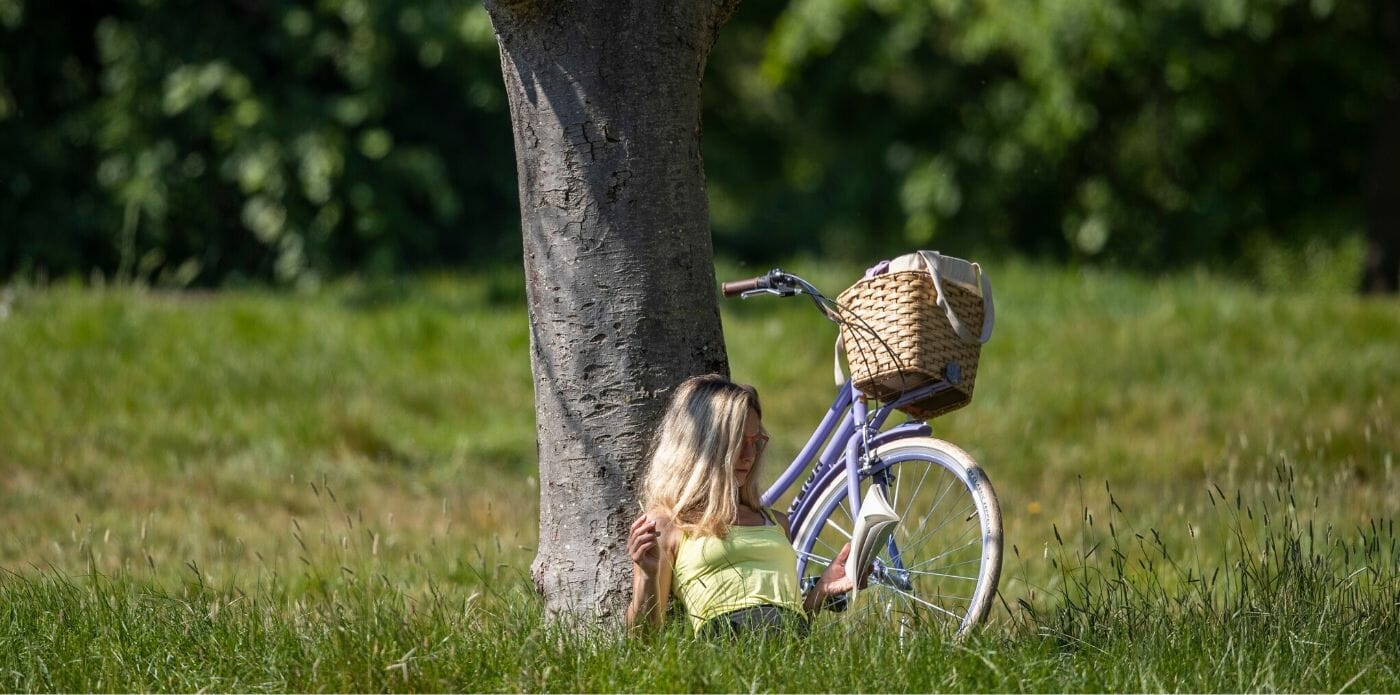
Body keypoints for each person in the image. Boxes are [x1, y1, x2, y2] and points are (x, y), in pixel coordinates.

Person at [624, 374, 856, 637]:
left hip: (789, 656)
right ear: (703, 447)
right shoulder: (667, 523)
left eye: (754, 442)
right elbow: (644, 640)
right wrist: (646, 575)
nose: (749, 456)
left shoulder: (777, 523)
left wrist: (821, 591)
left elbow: (790, 627)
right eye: (736, 444)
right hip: (722, 649)